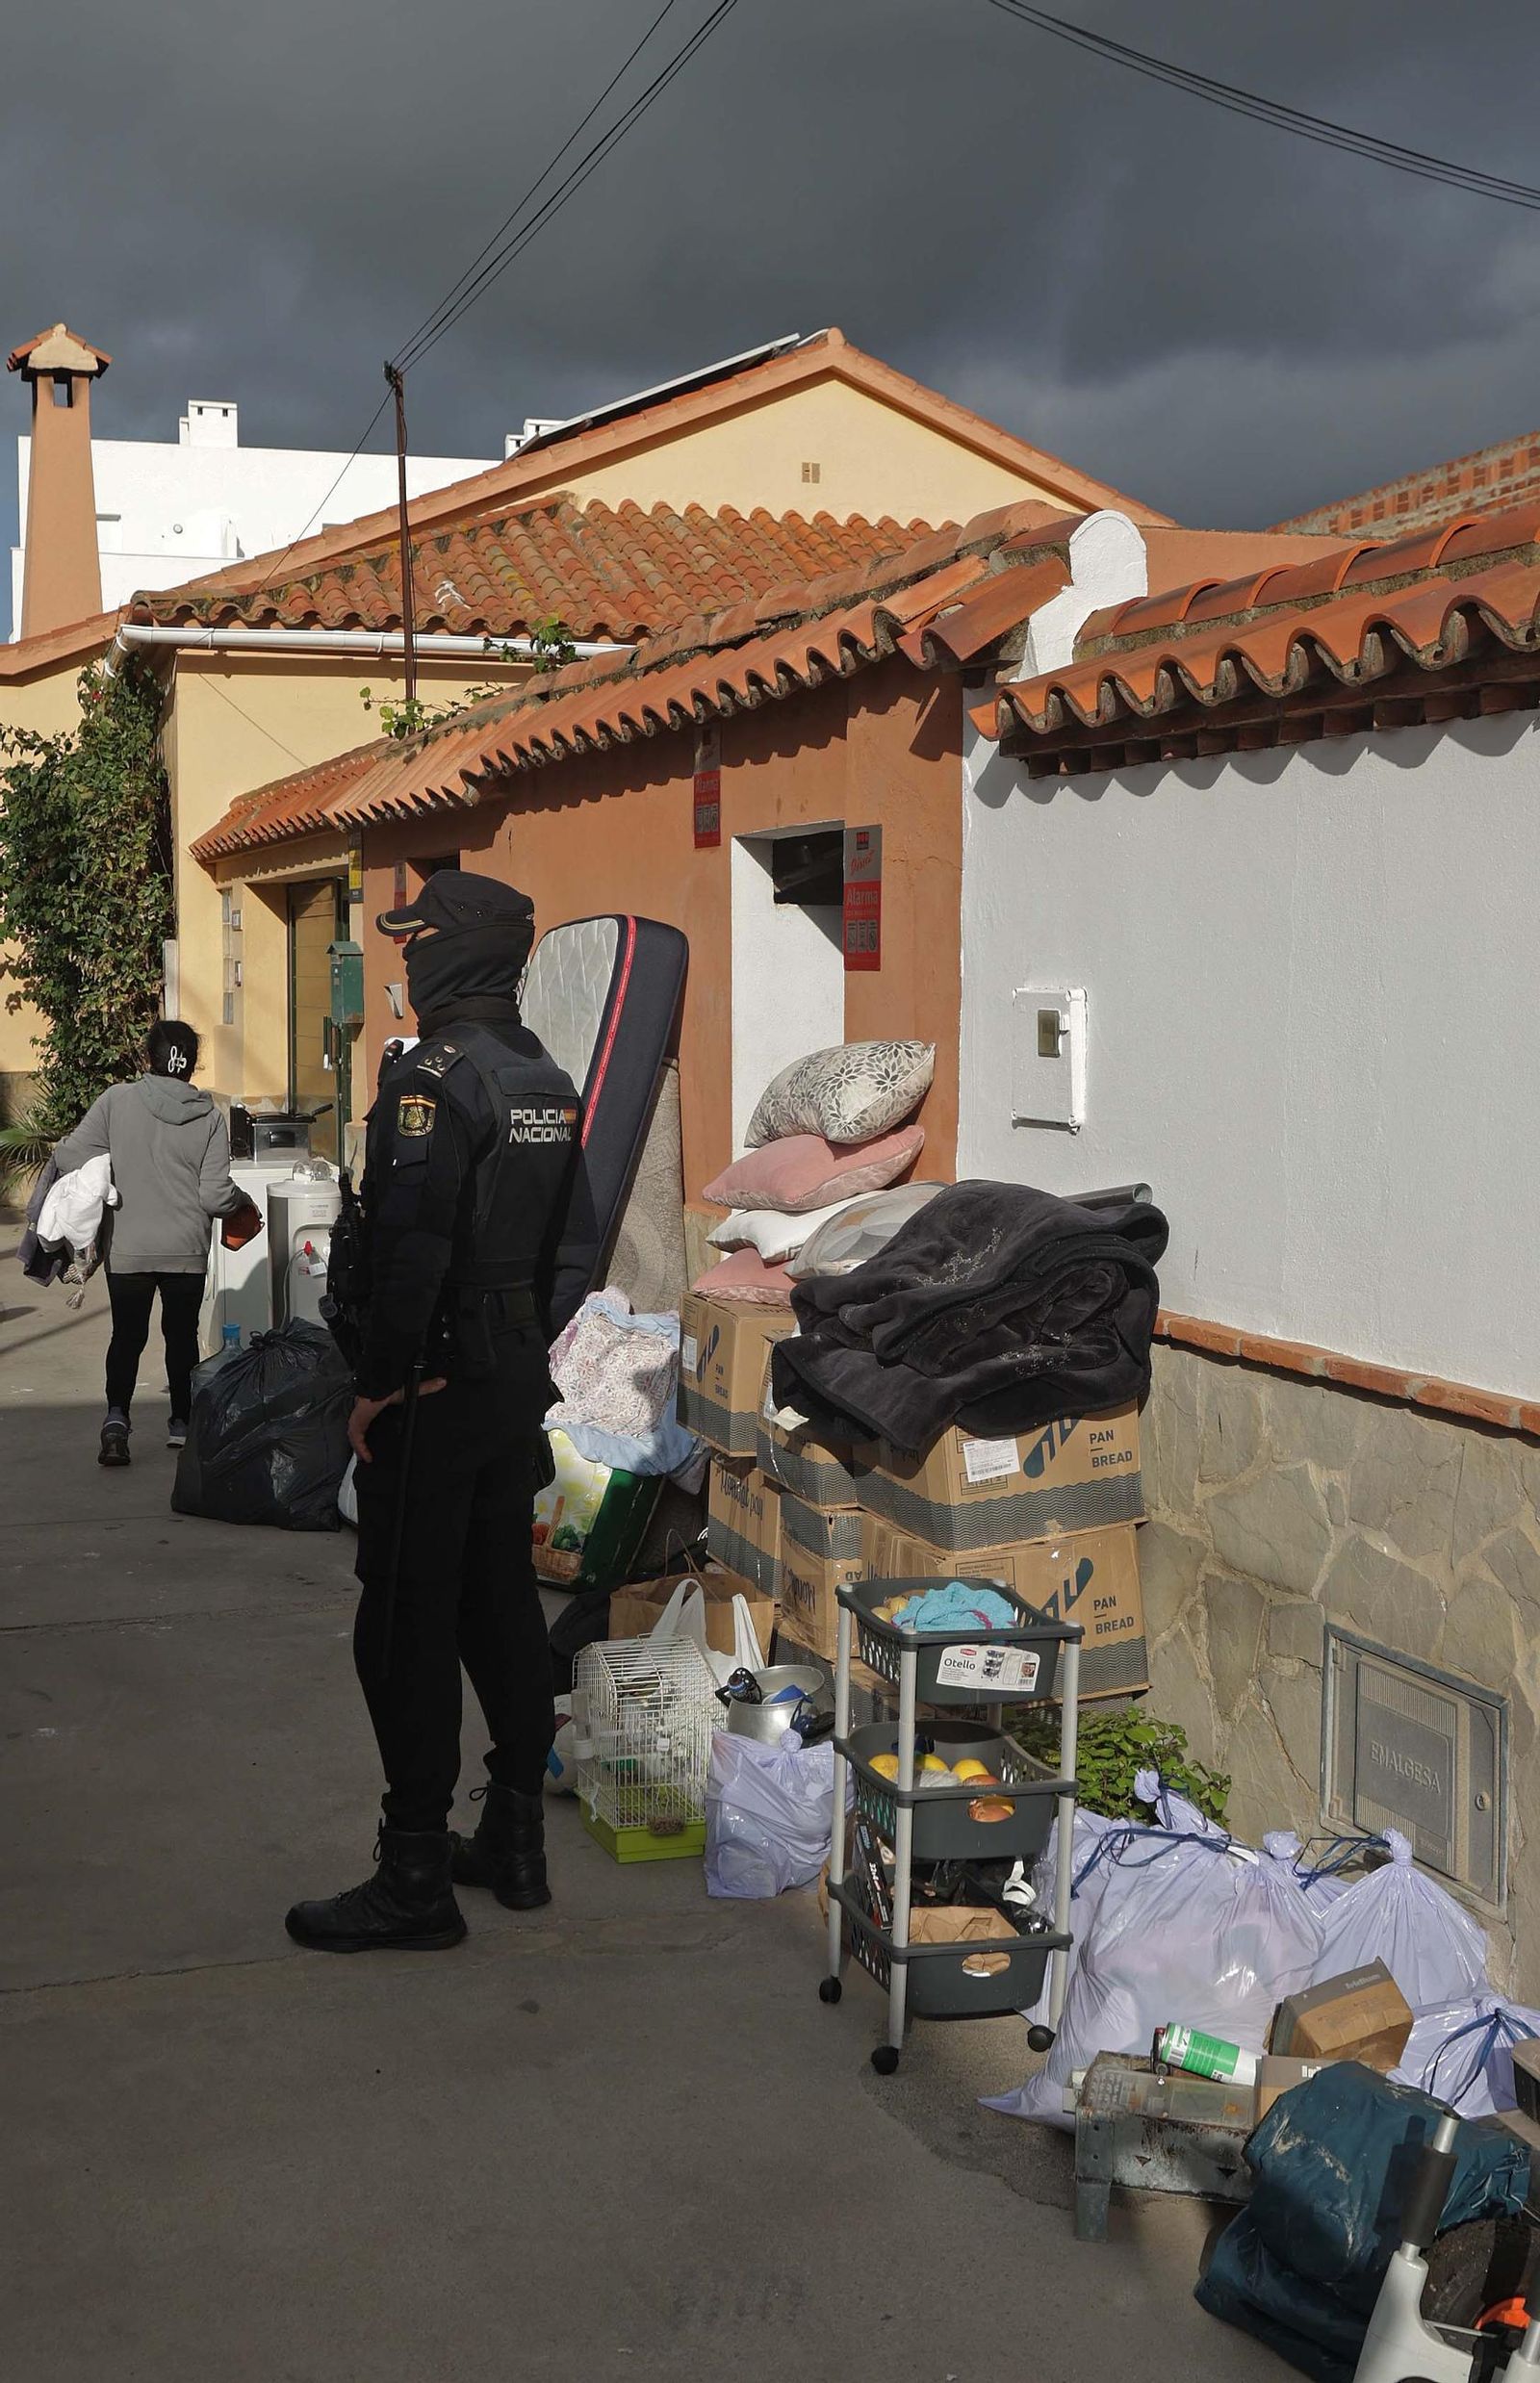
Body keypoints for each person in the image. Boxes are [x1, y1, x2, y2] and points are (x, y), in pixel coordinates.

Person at [285, 870, 594, 1956]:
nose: (407, 961)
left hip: (433, 1390)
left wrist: (381, 1382)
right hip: (507, 1386)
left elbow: (412, 1251)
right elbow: (575, 1250)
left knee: (402, 1625)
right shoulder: (544, 1076)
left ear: (457, 955)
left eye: (418, 943)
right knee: (497, 1602)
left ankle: (414, 1871)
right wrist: (512, 1351)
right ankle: (514, 1837)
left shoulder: (432, 1081)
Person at [54, 1020, 250, 1467]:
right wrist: (242, 1200)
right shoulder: (210, 1117)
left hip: (129, 1248)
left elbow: (71, 1156)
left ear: (148, 1057)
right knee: (181, 1337)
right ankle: (181, 1424)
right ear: (193, 1063)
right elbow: (215, 1197)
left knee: (127, 1336)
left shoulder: (116, 1101)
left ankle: (116, 1421)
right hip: (186, 1251)